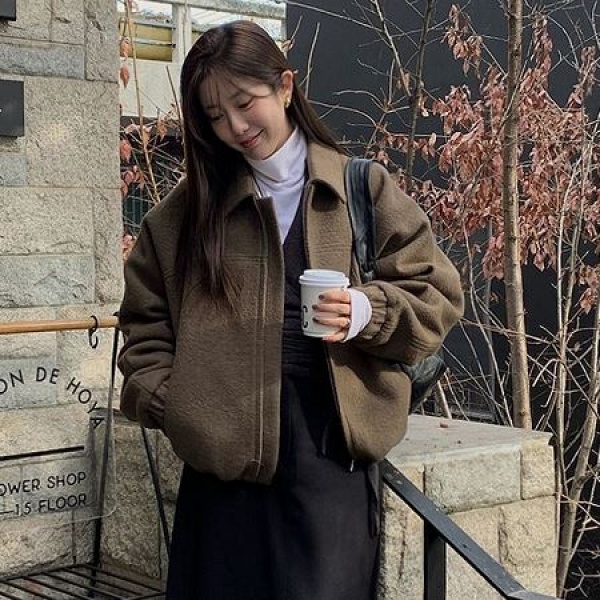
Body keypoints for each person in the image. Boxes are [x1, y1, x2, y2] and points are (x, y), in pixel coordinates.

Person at [118, 20, 463, 600]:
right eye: (214, 115)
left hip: (329, 465)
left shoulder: (360, 190)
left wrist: (366, 311)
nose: (234, 126)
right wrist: (178, 408)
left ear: (284, 86)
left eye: (244, 102)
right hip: (220, 478)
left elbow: (438, 295)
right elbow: (142, 329)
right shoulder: (183, 215)